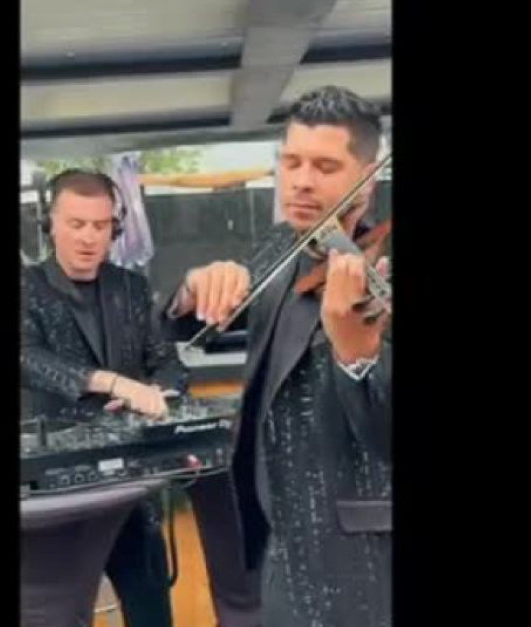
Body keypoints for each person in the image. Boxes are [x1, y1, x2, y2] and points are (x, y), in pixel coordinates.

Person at [162, 86, 393, 627]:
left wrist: (357, 357)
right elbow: (186, 323)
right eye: (291, 162)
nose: (301, 181)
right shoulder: (277, 247)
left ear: (367, 176)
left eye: (325, 166)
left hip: (360, 561)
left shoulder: (380, 272)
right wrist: (195, 288)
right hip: (276, 542)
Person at [19, 169, 182, 627]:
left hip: (131, 485)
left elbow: (168, 363)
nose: (89, 237)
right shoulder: (26, 286)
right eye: (76, 224)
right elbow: (27, 357)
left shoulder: (131, 288)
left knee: (151, 612)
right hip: (57, 492)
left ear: (116, 227)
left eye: (100, 225)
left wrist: (157, 392)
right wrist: (111, 382)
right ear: (49, 224)